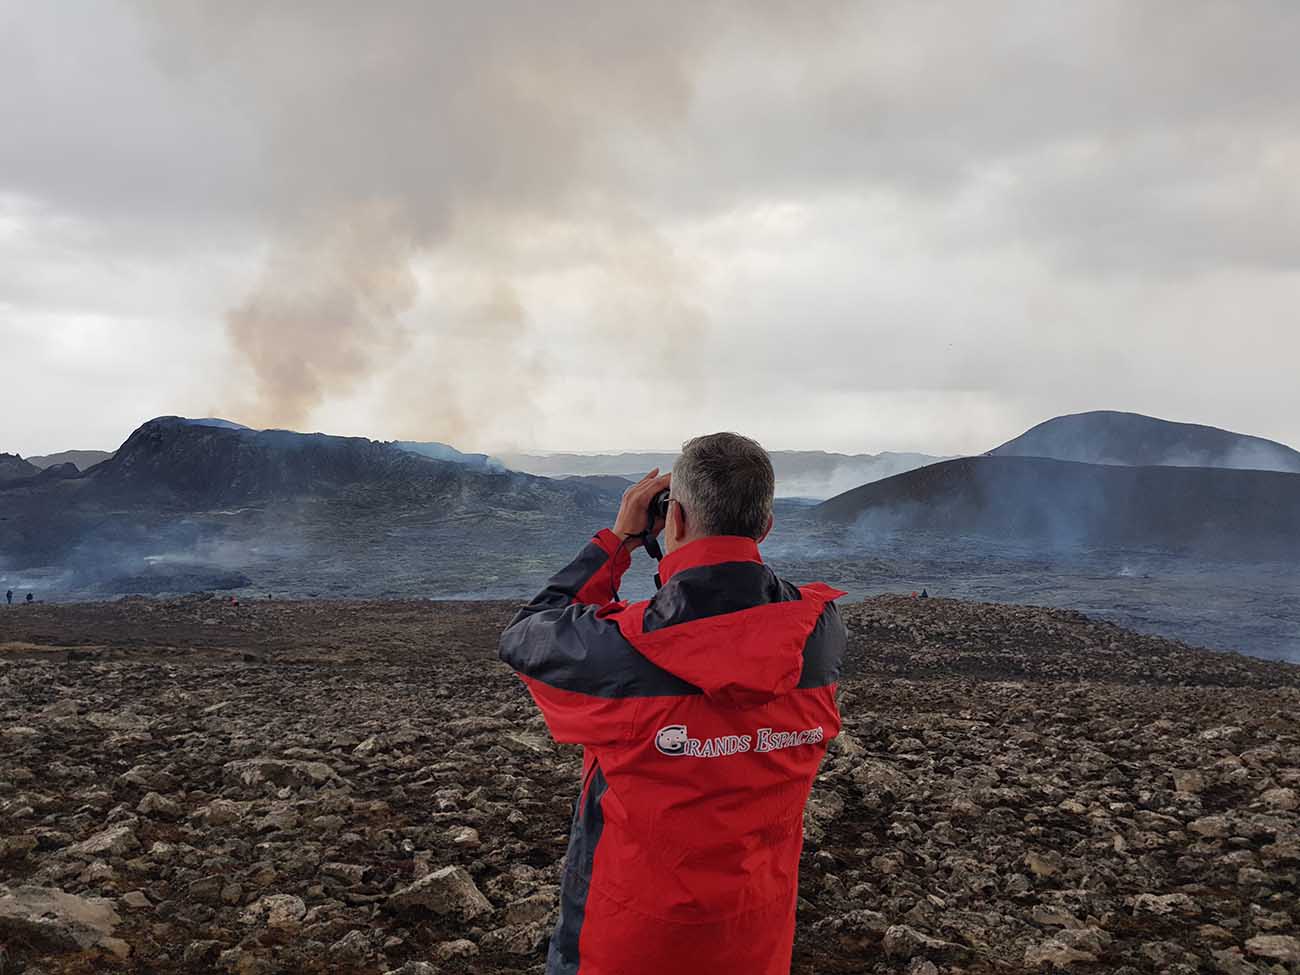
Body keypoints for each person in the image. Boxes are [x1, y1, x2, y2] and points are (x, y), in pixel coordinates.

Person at [499, 433, 846, 975]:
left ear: (674, 520)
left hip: (622, 944)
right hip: (755, 942)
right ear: (768, 526)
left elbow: (528, 633)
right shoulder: (819, 631)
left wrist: (618, 540)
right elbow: (760, 615)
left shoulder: (619, 649)